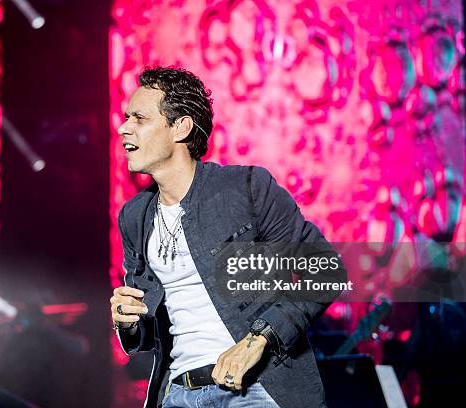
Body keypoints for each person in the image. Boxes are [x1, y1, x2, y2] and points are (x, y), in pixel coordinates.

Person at [110, 66, 346, 408]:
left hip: (259, 389)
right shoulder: (134, 217)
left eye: (139, 118)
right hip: (179, 393)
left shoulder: (246, 189)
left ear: (180, 127)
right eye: (126, 117)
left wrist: (259, 337)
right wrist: (127, 321)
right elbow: (147, 334)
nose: (123, 127)